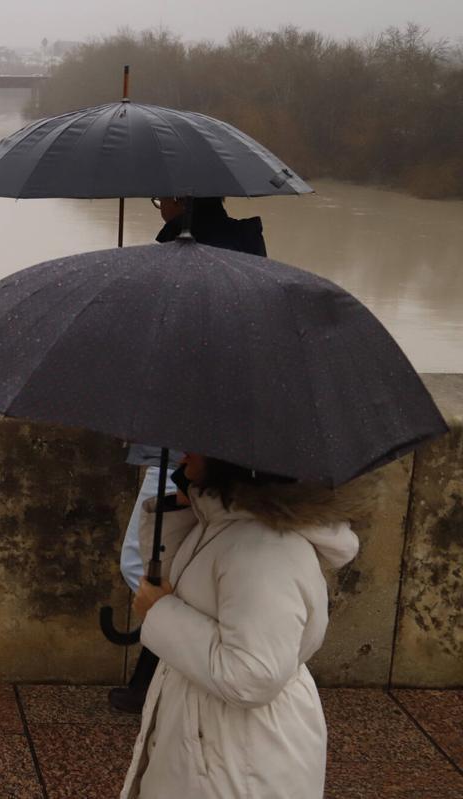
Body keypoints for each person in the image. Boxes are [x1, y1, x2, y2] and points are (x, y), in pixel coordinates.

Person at [119, 454, 367, 799]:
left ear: (232, 459)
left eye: (197, 443)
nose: (185, 453)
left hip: (239, 759)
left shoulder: (264, 550)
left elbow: (252, 675)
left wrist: (160, 612)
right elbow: (190, 590)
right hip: (210, 737)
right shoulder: (226, 526)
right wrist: (181, 507)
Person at [109, 196, 268, 714]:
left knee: (142, 564)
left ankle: (188, 656)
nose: (157, 201)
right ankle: (154, 680)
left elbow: (178, 350)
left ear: (185, 197)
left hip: (182, 441)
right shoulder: (238, 252)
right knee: (169, 562)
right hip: (199, 438)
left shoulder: (192, 259)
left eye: (162, 193)